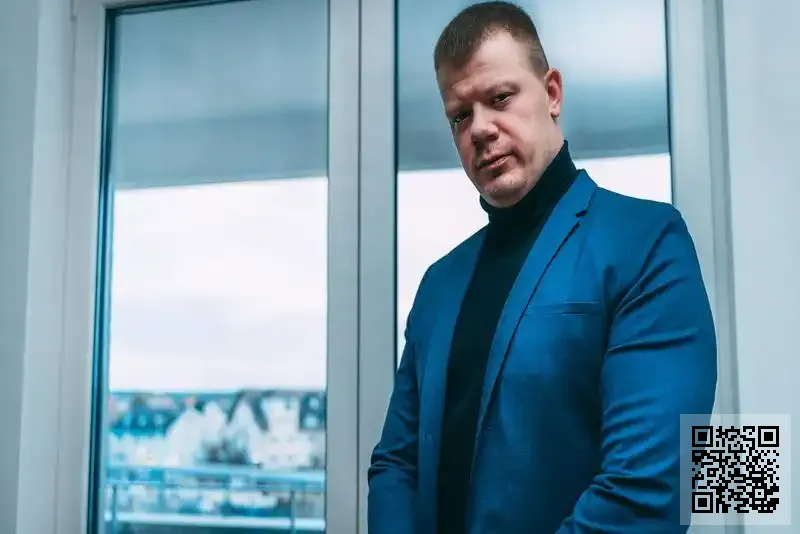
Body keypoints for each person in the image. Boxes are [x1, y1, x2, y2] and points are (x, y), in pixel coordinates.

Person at [367, 2, 717, 533]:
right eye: (460, 116)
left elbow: (648, 489)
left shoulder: (646, 241)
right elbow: (396, 463)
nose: (480, 129)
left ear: (552, 93)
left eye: (500, 98)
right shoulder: (439, 284)